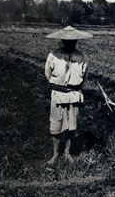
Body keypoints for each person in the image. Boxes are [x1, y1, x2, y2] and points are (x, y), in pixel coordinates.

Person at [44, 26, 92, 164]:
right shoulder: (53, 55)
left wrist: (74, 88)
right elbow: (47, 74)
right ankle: (55, 154)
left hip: (74, 94)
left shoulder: (82, 57)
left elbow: (85, 77)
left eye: (73, 41)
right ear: (62, 40)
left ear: (76, 41)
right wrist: (60, 86)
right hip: (58, 94)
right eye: (67, 41)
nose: (70, 43)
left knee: (71, 125)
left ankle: (67, 153)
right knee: (56, 125)